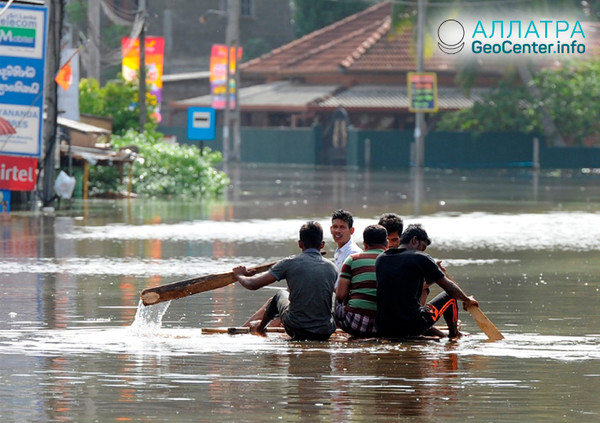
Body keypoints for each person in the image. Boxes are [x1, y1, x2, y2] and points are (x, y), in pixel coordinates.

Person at [232, 221, 338, 341]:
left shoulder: (289, 263)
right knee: (334, 297)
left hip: (296, 329)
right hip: (325, 331)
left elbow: (252, 284)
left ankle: (261, 327)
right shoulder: (332, 267)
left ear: (300, 244)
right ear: (322, 245)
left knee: (280, 295)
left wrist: (239, 275)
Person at [375, 224, 479, 339]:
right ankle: (454, 335)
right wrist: (467, 299)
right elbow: (449, 287)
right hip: (411, 326)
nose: (422, 251)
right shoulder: (421, 257)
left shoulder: (381, 259)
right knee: (449, 297)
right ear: (414, 240)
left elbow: (404, 284)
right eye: (422, 247)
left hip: (383, 327)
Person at [335, 224, 388, 337]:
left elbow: (340, 295)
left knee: (335, 296)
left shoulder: (352, 259)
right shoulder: (394, 261)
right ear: (387, 244)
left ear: (364, 244)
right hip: (385, 325)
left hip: (355, 323)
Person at [330, 209, 362, 273]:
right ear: (331, 229)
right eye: (335, 227)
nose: (337, 231)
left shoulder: (353, 253)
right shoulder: (339, 251)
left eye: (342, 227)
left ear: (351, 231)